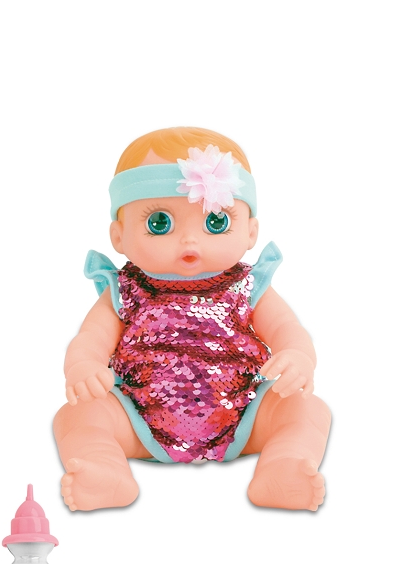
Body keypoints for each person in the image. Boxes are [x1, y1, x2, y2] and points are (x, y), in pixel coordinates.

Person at [53, 127, 329, 512]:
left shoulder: (249, 285)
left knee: (305, 407)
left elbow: (287, 329)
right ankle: (105, 468)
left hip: (245, 412)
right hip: (138, 416)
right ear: (118, 236)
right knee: (79, 414)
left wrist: (298, 356)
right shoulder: (124, 288)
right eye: (160, 223)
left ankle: (283, 465)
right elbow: (91, 338)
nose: (189, 241)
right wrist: (83, 365)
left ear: (251, 232)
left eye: (215, 222)